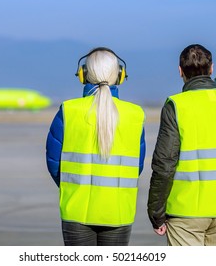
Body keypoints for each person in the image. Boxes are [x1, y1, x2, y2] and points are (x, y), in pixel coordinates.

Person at [147, 44, 216, 246]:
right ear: (211, 69)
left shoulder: (176, 105)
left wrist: (156, 212)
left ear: (180, 71)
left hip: (185, 213)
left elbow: (164, 164)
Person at [46, 47, 146, 246]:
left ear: (83, 74)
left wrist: (74, 186)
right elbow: (138, 166)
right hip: (118, 211)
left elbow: (54, 163)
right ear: (120, 75)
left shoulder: (68, 111)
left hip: (76, 210)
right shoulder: (135, 114)